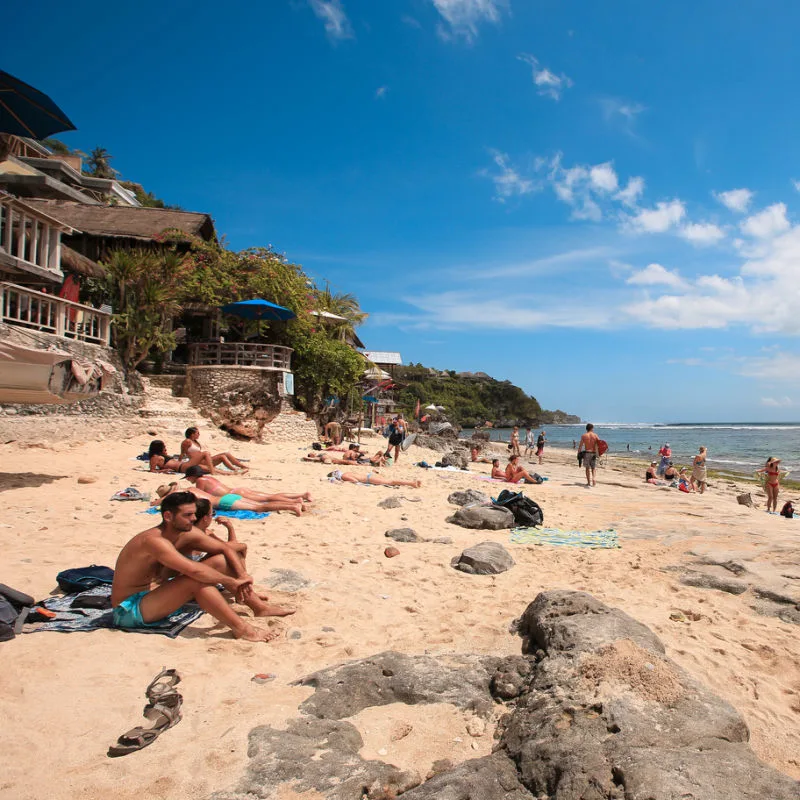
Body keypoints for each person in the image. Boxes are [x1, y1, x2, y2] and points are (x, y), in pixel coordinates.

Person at [111, 490, 278, 642]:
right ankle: (243, 629)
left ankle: (258, 607)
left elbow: (225, 548)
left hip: (156, 595)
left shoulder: (186, 532)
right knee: (196, 580)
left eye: (194, 514)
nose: (193, 518)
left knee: (220, 561)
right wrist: (231, 582)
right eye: (188, 514)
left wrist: (242, 576)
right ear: (168, 516)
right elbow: (193, 570)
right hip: (129, 609)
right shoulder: (154, 541)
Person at [185, 498, 294, 616]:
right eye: (213, 514)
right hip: (188, 581)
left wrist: (230, 528)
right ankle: (257, 606)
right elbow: (230, 548)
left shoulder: (207, 533)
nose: (213, 517)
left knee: (233, 554)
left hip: (202, 575)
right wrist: (241, 549)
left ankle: (245, 593)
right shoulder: (193, 536)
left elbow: (230, 549)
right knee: (222, 560)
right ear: (206, 518)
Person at [183, 466, 312, 506]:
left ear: (193, 475)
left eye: (188, 477)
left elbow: (200, 497)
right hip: (237, 490)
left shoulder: (200, 481)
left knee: (267, 500)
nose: (188, 480)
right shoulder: (208, 477)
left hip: (235, 494)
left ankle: (295, 501)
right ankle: (301, 495)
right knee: (269, 496)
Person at [154, 482, 304, 516]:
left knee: (259, 507)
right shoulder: (191, 488)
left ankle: (292, 506)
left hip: (224, 502)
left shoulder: (180, 493)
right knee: (262, 502)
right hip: (227, 497)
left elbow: (157, 503)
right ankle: (294, 503)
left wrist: (155, 501)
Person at [180, 427, 248, 473]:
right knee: (222, 457)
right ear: (192, 434)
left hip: (204, 460)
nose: (199, 435)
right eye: (197, 433)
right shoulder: (187, 441)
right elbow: (182, 453)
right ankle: (234, 470)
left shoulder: (195, 442)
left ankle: (242, 466)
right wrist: (179, 462)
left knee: (226, 453)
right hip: (198, 462)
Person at [148, 439, 219, 475]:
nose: (165, 447)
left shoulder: (161, 455)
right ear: (158, 448)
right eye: (163, 446)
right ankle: (213, 473)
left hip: (183, 465)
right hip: (182, 467)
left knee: (209, 468)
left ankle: (228, 474)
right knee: (205, 453)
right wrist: (163, 471)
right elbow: (152, 470)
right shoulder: (155, 457)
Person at [326, 470, 421, 488]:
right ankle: (411, 483)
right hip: (369, 476)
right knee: (390, 481)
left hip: (369, 479)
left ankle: (412, 483)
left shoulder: (344, 476)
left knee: (391, 482)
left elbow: (355, 481)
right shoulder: (346, 472)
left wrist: (343, 482)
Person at [578, 423, 600, 487]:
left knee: (587, 468)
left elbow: (580, 446)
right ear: (592, 428)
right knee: (593, 468)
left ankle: (588, 483)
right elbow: (599, 444)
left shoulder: (584, 436)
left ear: (586, 428)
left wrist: (578, 453)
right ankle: (593, 479)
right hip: (593, 453)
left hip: (587, 453)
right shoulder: (595, 435)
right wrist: (599, 453)